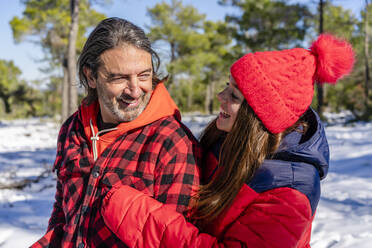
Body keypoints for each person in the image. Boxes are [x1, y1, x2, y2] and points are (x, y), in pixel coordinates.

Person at [100, 34, 355, 247]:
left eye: (234, 95)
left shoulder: (289, 195)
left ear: (257, 116)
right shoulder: (227, 143)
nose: (221, 96)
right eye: (227, 86)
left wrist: (134, 212)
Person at [32, 17, 201, 248]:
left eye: (144, 75)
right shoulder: (73, 129)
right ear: (91, 77)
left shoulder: (172, 142)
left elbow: (175, 240)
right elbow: (64, 213)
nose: (134, 91)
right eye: (120, 78)